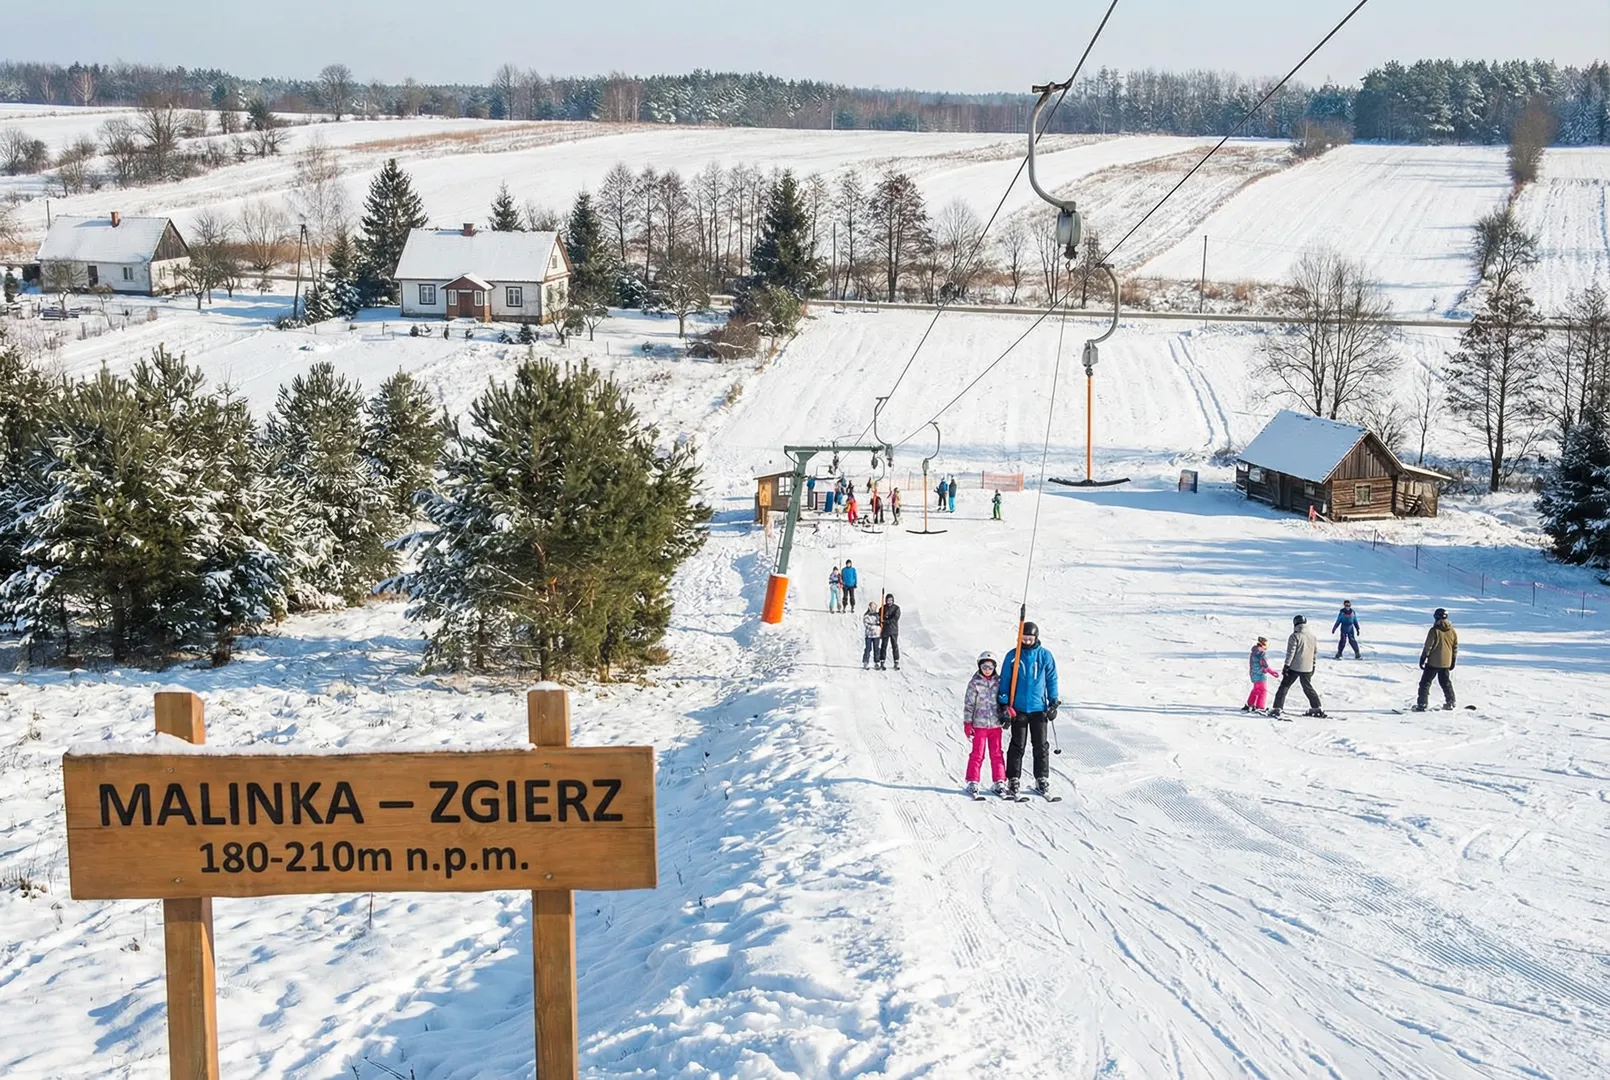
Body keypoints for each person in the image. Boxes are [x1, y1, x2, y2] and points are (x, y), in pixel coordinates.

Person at [997, 620, 1059, 798]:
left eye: (1030, 638)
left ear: (1036, 638)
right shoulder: (1013, 656)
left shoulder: (1045, 656)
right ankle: (1013, 777)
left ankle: (1041, 778)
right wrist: (1004, 704)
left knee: (1041, 745)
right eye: (1024, 638)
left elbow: (1051, 679)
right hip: (1019, 708)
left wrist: (1053, 702)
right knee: (1018, 745)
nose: (1027, 641)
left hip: (1039, 708)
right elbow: (1005, 681)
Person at [962, 651, 1007, 797]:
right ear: (979, 666)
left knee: (997, 753)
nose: (987, 669)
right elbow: (969, 704)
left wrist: (1007, 713)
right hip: (979, 725)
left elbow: (1004, 700)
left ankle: (999, 781)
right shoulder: (974, 683)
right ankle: (973, 781)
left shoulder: (999, 682)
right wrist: (968, 723)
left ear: (994, 667)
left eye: (990, 667)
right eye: (984, 666)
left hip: (995, 724)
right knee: (977, 754)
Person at [1270, 615, 1325, 719]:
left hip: (1294, 667)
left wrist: (1286, 666)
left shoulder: (1295, 636)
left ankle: (1277, 707)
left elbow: (1291, 652)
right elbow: (1315, 652)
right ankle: (1317, 707)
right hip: (1308, 667)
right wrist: (1313, 665)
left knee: (1284, 686)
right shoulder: (1312, 637)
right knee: (1308, 687)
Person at [1415, 608, 1458, 711]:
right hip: (1446, 663)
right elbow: (1455, 646)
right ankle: (1451, 701)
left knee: (1425, 683)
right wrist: (1453, 660)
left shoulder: (1434, 630)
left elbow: (1428, 645)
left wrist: (1423, 657)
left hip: (1433, 662)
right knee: (1445, 682)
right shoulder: (1452, 630)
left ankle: (1422, 704)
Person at [1242, 636, 1279, 712]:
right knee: (1263, 690)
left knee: (1256, 689)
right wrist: (1271, 672)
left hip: (1253, 674)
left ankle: (1249, 704)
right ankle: (1260, 707)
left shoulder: (1254, 652)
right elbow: (1264, 665)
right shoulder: (1262, 653)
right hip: (1260, 675)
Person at [878, 593, 901, 671]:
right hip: (885, 630)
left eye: (891, 600)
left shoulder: (896, 608)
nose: (889, 601)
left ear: (893, 600)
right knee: (884, 646)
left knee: (895, 646)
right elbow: (879, 617)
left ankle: (896, 661)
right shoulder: (882, 608)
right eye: (888, 600)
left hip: (893, 630)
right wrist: (880, 621)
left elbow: (895, 619)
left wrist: (885, 621)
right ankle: (882, 661)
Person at [861, 601, 882, 669]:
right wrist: (874, 626)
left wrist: (878, 626)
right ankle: (865, 662)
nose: (873, 609)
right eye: (872, 607)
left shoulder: (877, 615)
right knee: (868, 648)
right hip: (869, 635)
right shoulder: (866, 615)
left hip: (876, 635)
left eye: (874, 607)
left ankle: (877, 662)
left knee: (876, 649)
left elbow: (880, 623)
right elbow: (867, 624)